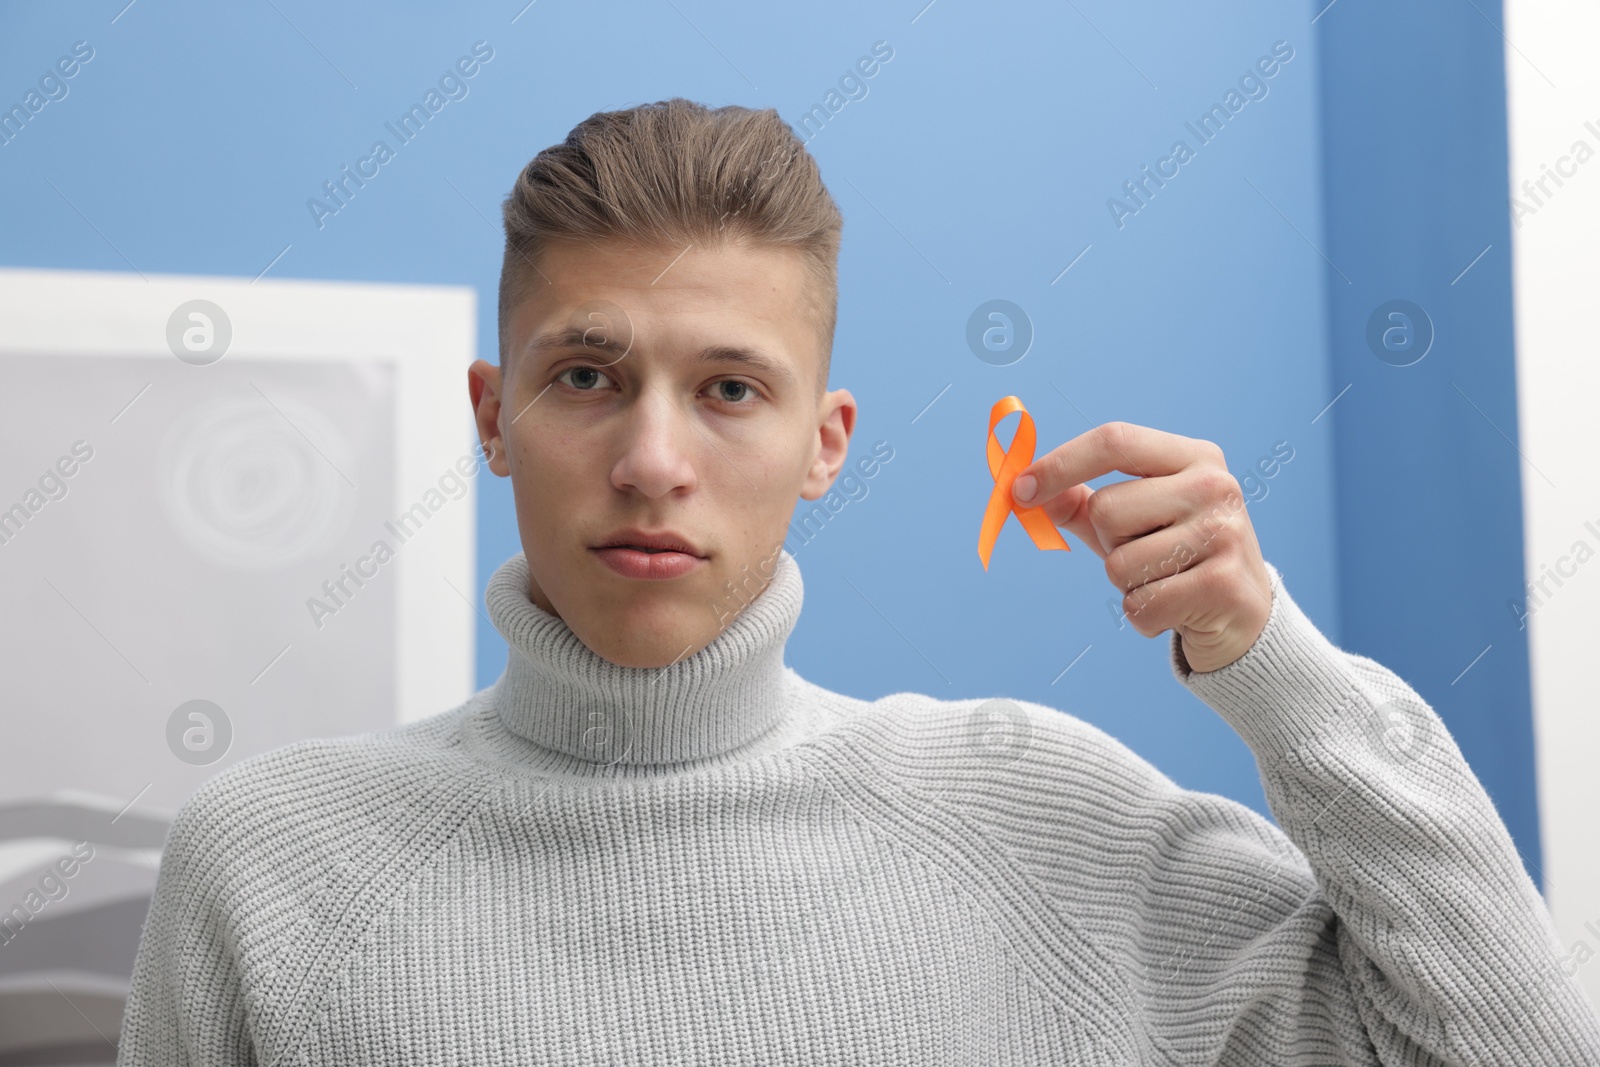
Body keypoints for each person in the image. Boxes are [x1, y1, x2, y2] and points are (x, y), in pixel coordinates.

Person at [117, 97, 1600, 1065]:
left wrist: (1271, 664)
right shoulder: (268, 867)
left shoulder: (1037, 820)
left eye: (729, 391)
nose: (650, 459)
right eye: (585, 375)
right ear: (493, 415)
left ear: (825, 445)